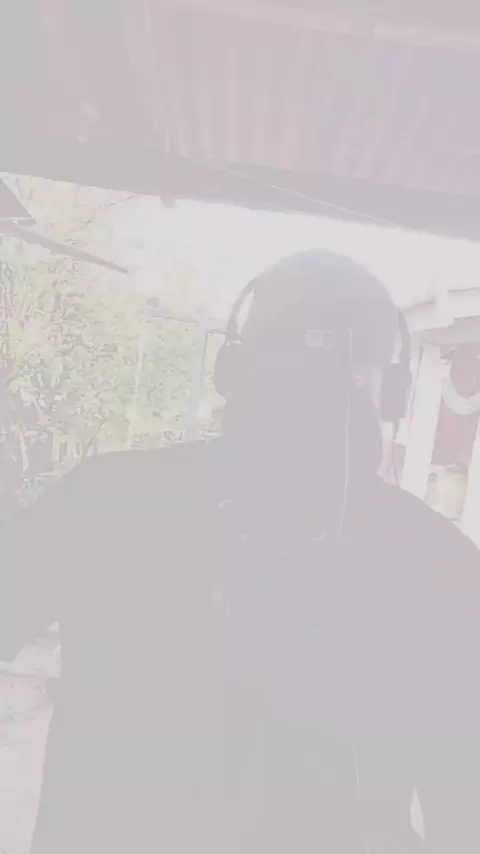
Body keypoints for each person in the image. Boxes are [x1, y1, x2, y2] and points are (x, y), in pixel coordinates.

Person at [1, 250, 479, 853]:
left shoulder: (106, 496)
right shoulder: (444, 561)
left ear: (232, 371)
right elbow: (461, 811)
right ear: (395, 396)